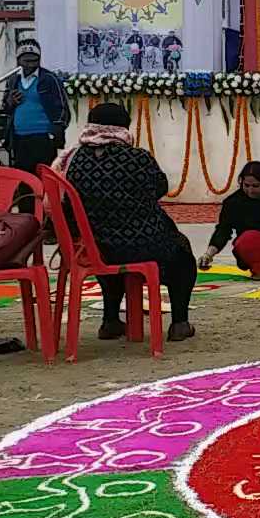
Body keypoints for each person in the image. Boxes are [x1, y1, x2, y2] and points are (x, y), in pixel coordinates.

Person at [61, 102, 198, 342]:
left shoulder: (74, 160)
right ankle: (179, 322)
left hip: (95, 248)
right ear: (123, 127)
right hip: (141, 245)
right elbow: (159, 188)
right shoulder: (138, 158)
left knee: (106, 249)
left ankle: (111, 320)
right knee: (182, 255)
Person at [2, 41, 69, 176]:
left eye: (34, 60)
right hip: (19, 137)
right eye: (26, 60)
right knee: (23, 177)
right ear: (19, 60)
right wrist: (10, 102)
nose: (30, 64)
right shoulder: (13, 80)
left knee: (44, 176)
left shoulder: (49, 79)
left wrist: (56, 131)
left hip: (43, 137)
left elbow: (62, 107)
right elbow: (5, 107)